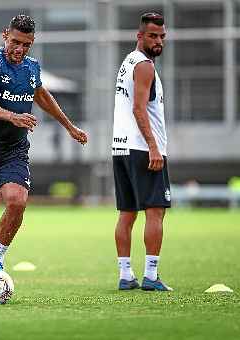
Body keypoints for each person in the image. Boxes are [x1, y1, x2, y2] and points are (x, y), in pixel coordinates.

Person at [0, 14, 88, 298]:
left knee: (17, 200)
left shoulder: (32, 68)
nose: (19, 49)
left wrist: (70, 126)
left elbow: (42, 95)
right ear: (5, 36)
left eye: (25, 44)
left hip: (13, 150)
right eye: (15, 42)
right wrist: (11, 116)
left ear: (31, 43)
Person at [112, 13, 172, 291]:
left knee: (127, 213)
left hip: (121, 147)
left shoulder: (128, 61)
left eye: (161, 36)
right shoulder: (145, 66)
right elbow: (138, 109)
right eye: (152, 36)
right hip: (142, 148)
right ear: (140, 36)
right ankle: (150, 275)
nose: (158, 41)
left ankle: (125, 275)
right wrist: (153, 147)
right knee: (155, 211)